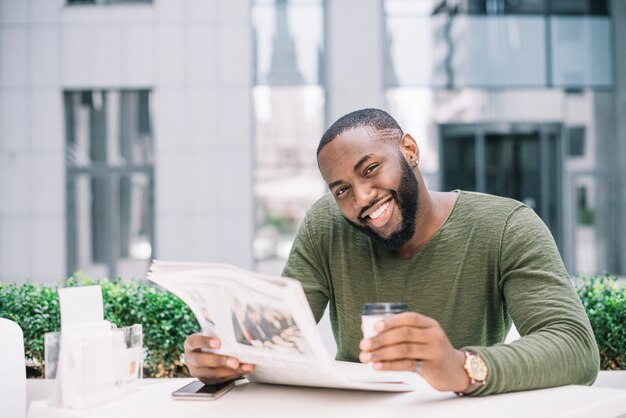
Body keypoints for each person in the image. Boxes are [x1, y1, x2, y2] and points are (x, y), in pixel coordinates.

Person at [184, 108, 599, 395]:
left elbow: (575, 347)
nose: (362, 197)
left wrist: (463, 366)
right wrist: (223, 362)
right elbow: (277, 335)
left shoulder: (507, 226)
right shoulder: (326, 224)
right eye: (342, 190)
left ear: (410, 151)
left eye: (370, 169)